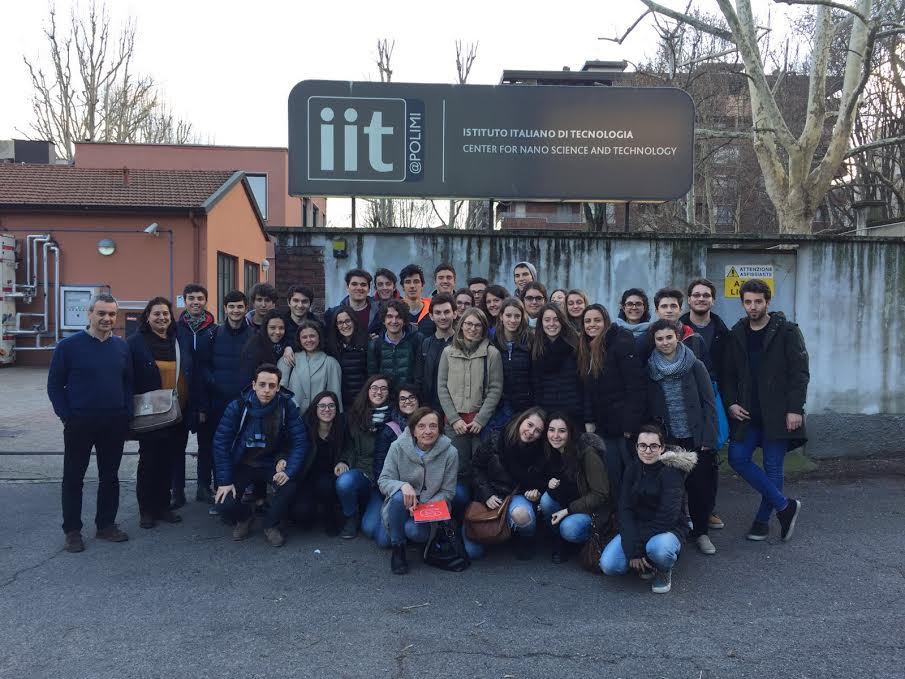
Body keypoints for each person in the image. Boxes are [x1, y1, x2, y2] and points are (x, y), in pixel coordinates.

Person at [723, 279, 808, 542]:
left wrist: (795, 409)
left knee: (773, 469)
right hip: (747, 413)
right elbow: (728, 374)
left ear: (767, 302)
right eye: (748, 302)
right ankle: (785, 506)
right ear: (742, 303)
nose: (753, 306)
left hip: (778, 413)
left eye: (758, 301)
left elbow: (800, 372)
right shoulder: (737, 332)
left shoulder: (787, 330)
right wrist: (730, 403)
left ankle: (762, 521)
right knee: (737, 458)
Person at [48, 293, 132, 553]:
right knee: (74, 477)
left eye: (111, 314)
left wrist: (126, 412)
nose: (107, 318)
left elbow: (128, 382)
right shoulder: (68, 346)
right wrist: (67, 415)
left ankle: (106, 525)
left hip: (113, 422)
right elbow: (54, 386)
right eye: (101, 313)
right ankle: (72, 530)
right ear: (89, 314)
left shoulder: (121, 347)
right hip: (80, 423)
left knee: (110, 476)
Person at [213, 364, 307, 547]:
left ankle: (270, 524)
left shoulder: (287, 406)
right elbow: (221, 444)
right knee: (223, 503)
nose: (266, 390)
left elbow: (300, 442)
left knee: (290, 486)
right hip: (243, 463)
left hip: (271, 462)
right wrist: (224, 480)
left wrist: (289, 470)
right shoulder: (237, 406)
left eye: (272, 386)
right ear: (253, 384)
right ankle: (246, 517)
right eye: (262, 384)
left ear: (278, 387)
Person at [646, 319, 719, 554]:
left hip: (695, 437)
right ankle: (677, 531)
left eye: (669, 337)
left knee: (700, 488)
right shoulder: (650, 369)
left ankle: (701, 533)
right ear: (654, 341)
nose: (665, 342)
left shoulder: (694, 365)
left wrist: (709, 438)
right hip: (668, 439)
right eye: (660, 338)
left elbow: (709, 403)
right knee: (671, 489)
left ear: (677, 336)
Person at [600, 424, 697, 594]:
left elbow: (667, 517)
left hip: (668, 529)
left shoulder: (671, 472)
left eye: (654, 446)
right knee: (609, 565)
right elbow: (625, 509)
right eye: (642, 445)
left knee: (660, 549)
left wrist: (637, 547)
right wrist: (632, 549)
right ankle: (645, 563)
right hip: (639, 526)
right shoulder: (632, 467)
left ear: (662, 448)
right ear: (636, 447)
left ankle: (663, 568)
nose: (647, 450)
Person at [128, 297, 193, 530]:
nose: (162, 318)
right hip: (150, 413)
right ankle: (146, 510)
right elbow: (129, 377)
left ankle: (164, 506)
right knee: (149, 462)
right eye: (156, 314)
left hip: (177, 412)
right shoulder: (136, 343)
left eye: (165, 313)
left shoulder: (177, 340)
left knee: (169, 461)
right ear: (147, 316)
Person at [437, 307, 504, 515]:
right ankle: (458, 515)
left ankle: (480, 515)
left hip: (479, 423)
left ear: (484, 328)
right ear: (460, 325)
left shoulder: (491, 353)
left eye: (477, 325)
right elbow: (442, 386)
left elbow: (495, 388)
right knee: (458, 470)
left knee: (482, 469)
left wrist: (481, 419)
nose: (472, 329)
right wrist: (454, 418)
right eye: (468, 324)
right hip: (454, 423)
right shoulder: (448, 352)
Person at [378, 407, 459, 575]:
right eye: (421, 426)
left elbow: (448, 491)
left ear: (439, 429)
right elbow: (384, 480)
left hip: (431, 507)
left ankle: (414, 536)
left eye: (433, 426)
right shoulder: (397, 446)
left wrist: (423, 507)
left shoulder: (451, 452)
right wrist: (402, 485)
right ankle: (398, 549)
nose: (427, 431)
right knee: (382, 539)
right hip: (400, 505)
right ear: (413, 430)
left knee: (414, 531)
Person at [579, 304, 646, 503]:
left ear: (606, 321)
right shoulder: (588, 347)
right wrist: (590, 419)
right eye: (587, 321)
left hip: (623, 425)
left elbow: (636, 385)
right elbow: (589, 389)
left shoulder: (621, 341)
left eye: (597, 320)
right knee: (613, 475)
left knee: (631, 475)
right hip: (605, 425)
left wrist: (630, 425)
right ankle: (619, 519)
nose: (592, 325)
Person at [680, 277, 731, 532]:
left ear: (713, 299)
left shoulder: (723, 331)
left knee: (709, 455)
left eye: (706, 295)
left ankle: (706, 510)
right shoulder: (677, 329)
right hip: (682, 398)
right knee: (682, 455)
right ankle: (685, 510)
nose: (701, 298)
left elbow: (731, 371)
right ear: (688, 299)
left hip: (712, 396)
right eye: (696, 295)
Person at [467, 407, 552, 560]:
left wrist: (535, 494)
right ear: (521, 421)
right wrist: (486, 494)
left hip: (516, 495)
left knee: (522, 515)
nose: (531, 432)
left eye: (538, 430)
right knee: (473, 552)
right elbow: (475, 467)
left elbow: (540, 482)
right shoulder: (496, 438)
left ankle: (525, 539)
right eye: (530, 425)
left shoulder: (540, 453)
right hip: (489, 493)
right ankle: (498, 533)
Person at [198, 291, 255, 505]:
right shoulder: (212, 335)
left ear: (245, 307)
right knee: (218, 446)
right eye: (231, 306)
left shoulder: (254, 336)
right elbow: (202, 369)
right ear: (225, 308)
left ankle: (244, 489)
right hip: (217, 401)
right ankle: (219, 488)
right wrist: (211, 389)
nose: (236, 310)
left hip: (245, 401)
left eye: (240, 306)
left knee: (244, 446)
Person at [539, 414, 611, 563]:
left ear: (570, 433)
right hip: (570, 505)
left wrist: (567, 510)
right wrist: (549, 482)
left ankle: (592, 540)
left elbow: (600, 494)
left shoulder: (588, 454)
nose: (556, 436)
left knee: (569, 529)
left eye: (562, 431)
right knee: (546, 500)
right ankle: (559, 542)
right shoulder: (551, 451)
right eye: (551, 430)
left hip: (592, 511)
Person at [172, 283, 216, 509]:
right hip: (181, 394)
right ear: (185, 301)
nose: (195, 302)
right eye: (191, 298)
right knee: (177, 446)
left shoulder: (213, 329)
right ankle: (177, 490)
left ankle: (203, 487)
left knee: (206, 445)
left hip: (206, 395)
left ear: (206, 301)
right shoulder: (176, 329)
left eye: (199, 298)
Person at [334, 375, 392, 538]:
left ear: (389, 392)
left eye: (383, 388)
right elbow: (350, 445)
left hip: (385, 478)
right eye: (374, 388)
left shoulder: (395, 415)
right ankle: (351, 516)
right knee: (344, 482)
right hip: (363, 470)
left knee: (369, 528)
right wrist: (344, 461)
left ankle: (370, 506)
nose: (378, 392)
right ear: (367, 391)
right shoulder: (356, 414)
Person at [367, 385, 421, 548]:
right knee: (376, 535)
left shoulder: (430, 424)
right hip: (395, 490)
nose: (408, 402)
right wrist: (395, 489)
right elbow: (380, 468)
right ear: (397, 403)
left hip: (423, 489)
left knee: (413, 531)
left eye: (412, 397)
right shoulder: (389, 429)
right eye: (403, 399)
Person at [287, 390, 344, 536]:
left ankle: (329, 515)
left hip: (329, 478)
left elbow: (349, 448)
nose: (327, 410)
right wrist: (281, 460)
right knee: (302, 516)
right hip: (305, 477)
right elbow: (287, 446)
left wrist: (343, 461)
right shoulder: (304, 427)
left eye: (331, 406)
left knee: (325, 485)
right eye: (322, 406)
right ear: (315, 408)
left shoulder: (341, 426)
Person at [531, 303, 586, 424]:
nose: (551, 324)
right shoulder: (536, 348)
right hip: (547, 415)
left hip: (574, 414)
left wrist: (588, 417)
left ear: (562, 321)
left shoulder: (576, 345)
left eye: (556, 319)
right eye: (547, 320)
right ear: (541, 323)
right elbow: (536, 386)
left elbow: (585, 384)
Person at [278, 320, 342, 414]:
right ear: (299, 339)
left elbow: (335, 396)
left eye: (312, 336)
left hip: (320, 418)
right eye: (304, 337)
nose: (308, 340)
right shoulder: (288, 359)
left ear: (319, 337)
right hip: (293, 418)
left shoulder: (331, 363)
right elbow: (280, 392)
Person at [414, 294, 456, 411]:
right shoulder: (425, 344)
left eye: (447, 312)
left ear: (455, 314)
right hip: (430, 408)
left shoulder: (462, 344)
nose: (442, 317)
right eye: (438, 313)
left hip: (456, 410)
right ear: (431, 316)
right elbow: (419, 378)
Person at [367, 300, 421, 388]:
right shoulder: (375, 345)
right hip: (386, 396)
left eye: (398, 317)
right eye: (389, 316)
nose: (394, 321)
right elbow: (372, 377)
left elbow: (419, 375)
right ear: (383, 320)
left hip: (409, 397)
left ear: (404, 320)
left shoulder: (416, 340)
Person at [493, 297, 534, 416]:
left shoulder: (530, 340)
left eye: (517, 316)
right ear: (501, 316)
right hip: (500, 406)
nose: (513, 320)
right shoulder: (493, 341)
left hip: (525, 405)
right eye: (508, 315)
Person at [325, 305, 369, 411]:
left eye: (348, 321)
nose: (345, 325)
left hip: (363, 402)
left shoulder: (366, 344)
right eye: (340, 323)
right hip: (341, 402)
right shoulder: (331, 348)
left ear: (354, 321)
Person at [641, 287, 705, 359]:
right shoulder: (645, 338)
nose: (669, 310)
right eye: (664, 306)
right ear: (657, 311)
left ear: (680, 310)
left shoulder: (694, 339)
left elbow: (707, 369)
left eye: (673, 306)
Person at [240, 310, 289, 388]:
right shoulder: (254, 346)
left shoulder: (286, 344)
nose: (277, 332)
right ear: (265, 328)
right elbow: (247, 377)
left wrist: (288, 347)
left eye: (281, 328)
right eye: (272, 328)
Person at [324, 269, 380, 335]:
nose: (359, 288)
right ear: (347, 287)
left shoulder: (379, 312)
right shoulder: (332, 314)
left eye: (363, 285)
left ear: (368, 289)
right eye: (354, 284)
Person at [399, 264, 435, 335]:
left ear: (422, 285)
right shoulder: (396, 311)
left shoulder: (433, 309)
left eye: (416, 282)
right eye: (408, 282)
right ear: (403, 287)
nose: (412, 286)